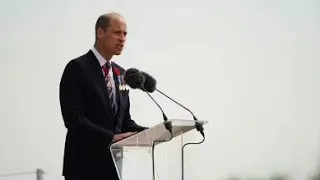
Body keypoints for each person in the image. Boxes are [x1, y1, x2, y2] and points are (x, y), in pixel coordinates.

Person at [59, 12, 147, 180]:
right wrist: (110, 138)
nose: (122, 39)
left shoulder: (122, 74)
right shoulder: (77, 68)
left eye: (125, 34)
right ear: (100, 33)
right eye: (117, 33)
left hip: (114, 168)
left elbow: (124, 122)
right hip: (84, 167)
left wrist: (152, 133)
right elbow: (73, 119)